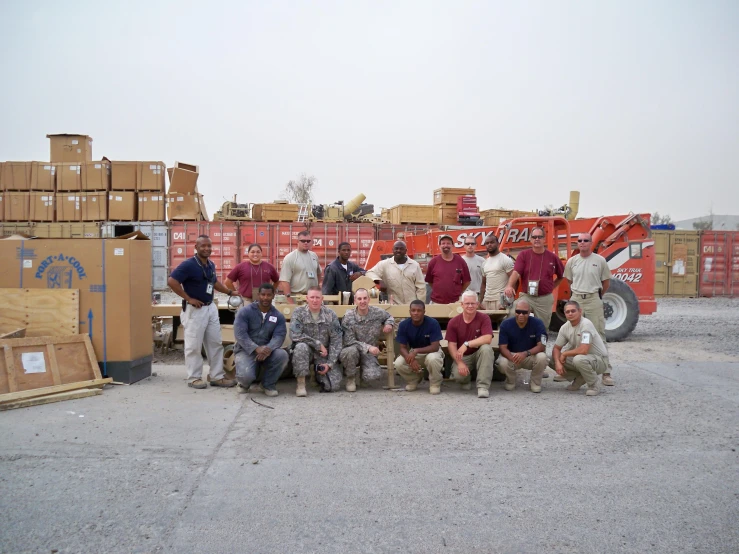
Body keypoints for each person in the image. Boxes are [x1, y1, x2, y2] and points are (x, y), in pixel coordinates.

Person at [167, 235, 237, 389]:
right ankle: (194, 378)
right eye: (203, 246)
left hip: (210, 307)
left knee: (215, 343)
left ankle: (217, 376)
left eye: (209, 246)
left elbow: (214, 282)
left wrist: (229, 292)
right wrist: (188, 298)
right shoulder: (188, 265)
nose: (206, 248)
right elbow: (172, 281)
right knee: (194, 345)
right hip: (195, 310)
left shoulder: (210, 264)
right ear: (196, 247)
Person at [562, 232, 615, 386]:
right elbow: (569, 280)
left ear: (591, 243)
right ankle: (575, 368)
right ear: (577, 243)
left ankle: (606, 372)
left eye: (586, 240)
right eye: (580, 241)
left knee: (598, 334)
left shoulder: (600, 261)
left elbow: (606, 283)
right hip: (576, 299)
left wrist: (596, 296)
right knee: (574, 334)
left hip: (593, 299)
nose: (583, 243)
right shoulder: (572, 261)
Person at [233, 284, 288, 397]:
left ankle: (268, 384)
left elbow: (279, 336)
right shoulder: (244, 312)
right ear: (258, 295)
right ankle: (243, 384)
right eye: (263, 294)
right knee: (246, 376)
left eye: (269, 295)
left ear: (273, 296)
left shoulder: (278, 316)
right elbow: (240, 334)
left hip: (267, 350)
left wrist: (269, 348)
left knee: (282, 355)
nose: (265, 298)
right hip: (246, 350)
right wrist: (256, 348)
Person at [504, 226, 564, 330]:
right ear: (531, 239)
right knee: (512, 313)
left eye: (539, 237)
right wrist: (509, 286)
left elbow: (561, 276)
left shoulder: (552, 257)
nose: (537, 239)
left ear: (544, 239)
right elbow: (516, 272)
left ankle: (541, 346)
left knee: (543, 327)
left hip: (544, 298)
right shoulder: (523, 255)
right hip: (527, 296)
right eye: (534, 237)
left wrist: (551, 287)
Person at [289, 287, 343, 396]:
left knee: (333, 386)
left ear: (322, 298)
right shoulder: (299, 313)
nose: (315, 300)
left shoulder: (330, 314)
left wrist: (329, 364)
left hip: (323, 355)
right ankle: (301, 383)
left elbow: (336, 340)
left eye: (317, 297)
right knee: (300, 347)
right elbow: (295, 335)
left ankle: (316, 374)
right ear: (307, 298)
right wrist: (317, 344)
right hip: (306, 352)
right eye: (312, 297)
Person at [339, 288, 394, 391]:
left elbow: (389, 317)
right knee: (350, 352)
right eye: (359, 299)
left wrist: (388, 324)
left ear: (369, 299)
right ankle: (350, 378)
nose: (362, 301)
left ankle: (363, 375)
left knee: (372, 376)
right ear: (355, 301)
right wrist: (368, 347)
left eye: (365, 298)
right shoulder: (348, 317)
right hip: (353, 350)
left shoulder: (377, 312)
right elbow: (349, 341)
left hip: (369, 354)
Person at [549, 300, 609, 396]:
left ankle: (594, 385)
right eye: (567, 312)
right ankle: (580, 378)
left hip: (599, 360)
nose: (570, 313)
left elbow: (583, 350)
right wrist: (557, 363)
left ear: (580, 311)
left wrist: (564, 354)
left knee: (578, 359)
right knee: (551, 359)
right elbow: (556, 348)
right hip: (585, 358)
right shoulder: (565, 327)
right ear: (564, 314)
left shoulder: (586, 325)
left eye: (573, 311)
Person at [446, 290, 495, 398]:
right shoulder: (453, 322)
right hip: (463, 356)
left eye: (473, 303)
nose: (470, 306)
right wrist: (459, 363)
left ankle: (483, 387)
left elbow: (488, 338)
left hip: (479, 354)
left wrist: (467, 344)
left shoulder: (484, 318)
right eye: (467, 303)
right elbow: (452, 345)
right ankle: (466, 380)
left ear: (477, 305)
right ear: (462, 305)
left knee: (486, 349)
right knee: (458, 376)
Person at [496, 299, 549, 393]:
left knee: (542, 357)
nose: (521, 315)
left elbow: (542, 346)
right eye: (518, 312)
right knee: (502, 362)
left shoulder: (538, 323)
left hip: (530, 355)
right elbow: (502, 347)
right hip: (512, 355)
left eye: (524, 312)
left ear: (529, 312)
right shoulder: (506, 324)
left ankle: (535, 383)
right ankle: (511, 381)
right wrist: (512, 358)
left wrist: (525, 353)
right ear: (515, 311)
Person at [394, 300, 445, 394]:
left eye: (419, 310)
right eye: (413, 310)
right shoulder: (404, 325)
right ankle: (413, 380)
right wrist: (411, 359)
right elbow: (402, 347)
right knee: (398, 363)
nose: (416, 313)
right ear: (410, 312)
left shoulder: (433, 323)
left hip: (432, 351)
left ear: (424, 312)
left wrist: (416, 351)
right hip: (414, 352)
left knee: (433, 358)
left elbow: (435, 347)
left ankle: (435, 383)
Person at [278, 230, 322, 302]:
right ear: (297, 242)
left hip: (312, 298)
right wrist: (290, 300)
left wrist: (315, 288)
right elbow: (284, 281)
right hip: (297, 297)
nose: (306, 243)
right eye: (303, 241)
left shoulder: (314, 256)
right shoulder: (290, 258)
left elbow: (319, 273)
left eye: (308, 241)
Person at [426, 234, 471, 304]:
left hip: (456, 302)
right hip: (437, 302)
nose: (445, 245)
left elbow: (467, 281)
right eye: (443, 243)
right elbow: (429, 281)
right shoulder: (433, 262)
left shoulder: (460, 261)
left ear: (453, 246)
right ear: (439, 246)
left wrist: (458, 292)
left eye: (448, 243)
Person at [479, 234, 515, 310]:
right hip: (487, 301)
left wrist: (508, 301)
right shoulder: (484, 263)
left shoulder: (505, 260)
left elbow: (514, 280)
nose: (489, 245)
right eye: (487, 243)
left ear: (498, 244)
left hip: (501, 301)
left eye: (492, 242)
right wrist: (480, 301)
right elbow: (483, 284)